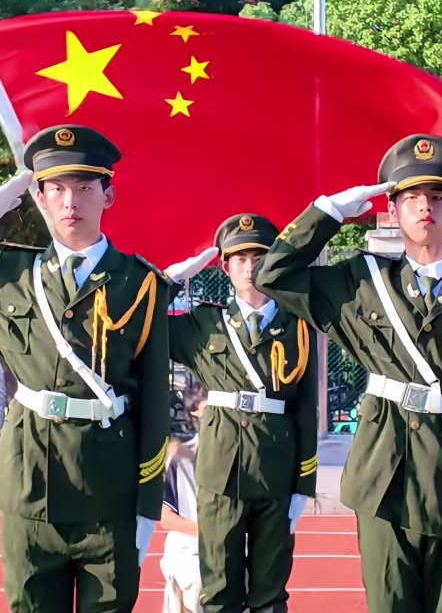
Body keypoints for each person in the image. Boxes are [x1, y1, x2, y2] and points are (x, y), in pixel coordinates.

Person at [0, 125, 170, 613]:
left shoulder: (141, 284)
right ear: (39, 198)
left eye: (84, 187)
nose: (70, 202)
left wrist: (148, 505)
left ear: (108, 195)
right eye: (55, 189)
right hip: (29, 488)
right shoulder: (7, 278)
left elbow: (154, 403)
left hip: (109, 493)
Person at [252, 134, 442, 613]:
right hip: (384, 476)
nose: (425, 207)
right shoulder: (360, 282)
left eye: (437, 197)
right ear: (392, 209)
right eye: (412, 197)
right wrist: (328, 212)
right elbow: (271, 275)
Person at [163, 214, 319, 613]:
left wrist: (304, 484)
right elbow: (139, 327)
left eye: (259, 257)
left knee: (270, 592)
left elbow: (306, 410)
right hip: (221, 471)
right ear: (225, 267)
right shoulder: (203, 324)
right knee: (220, 591)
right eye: (240, 258)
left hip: (276, 468)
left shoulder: (296, 326)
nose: (250, 267)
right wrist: (169, 283)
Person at [159, 379, 207, 613]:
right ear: (194, 412)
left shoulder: (240, 456)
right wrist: (209, 531)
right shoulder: (179, 459)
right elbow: (165, 517)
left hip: (235, 550)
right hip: (190, 553)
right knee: (196, 580)